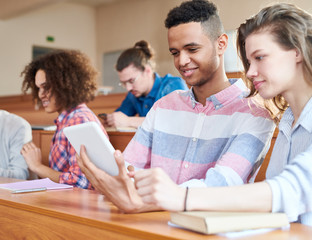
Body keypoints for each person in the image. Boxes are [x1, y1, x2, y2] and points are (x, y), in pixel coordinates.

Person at [77, 0, 276, 212]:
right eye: (175, 52)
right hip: (147, 223)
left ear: (221, 44)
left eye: (192, 49)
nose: (182, 61)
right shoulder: (164, 107)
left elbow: (221, 185)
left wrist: (144, 198)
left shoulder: (255, 113)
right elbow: (129, 169)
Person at [128, 3, 312, 226]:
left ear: (297, 52)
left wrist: (180, 197)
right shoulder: (287, 122)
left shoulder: (260, 115)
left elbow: (291, 189)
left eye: (260, 57)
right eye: (249, 61)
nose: (250, 72)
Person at [20, 50, 107, 189]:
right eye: (38, 88)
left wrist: (37, 167)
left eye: (46, 87)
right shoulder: (66, 120)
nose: (41, 94)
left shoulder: (79, 120)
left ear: (66, 84)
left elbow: (79, 183)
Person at [103, 40, 188, 128]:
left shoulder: (174, 85)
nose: (128, 88)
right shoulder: (133, 95)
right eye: (124, 83)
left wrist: (129, 121)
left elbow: (178, 121)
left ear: (148, 71)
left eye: (131, 81)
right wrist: (111, 120)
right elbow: (119, 118)